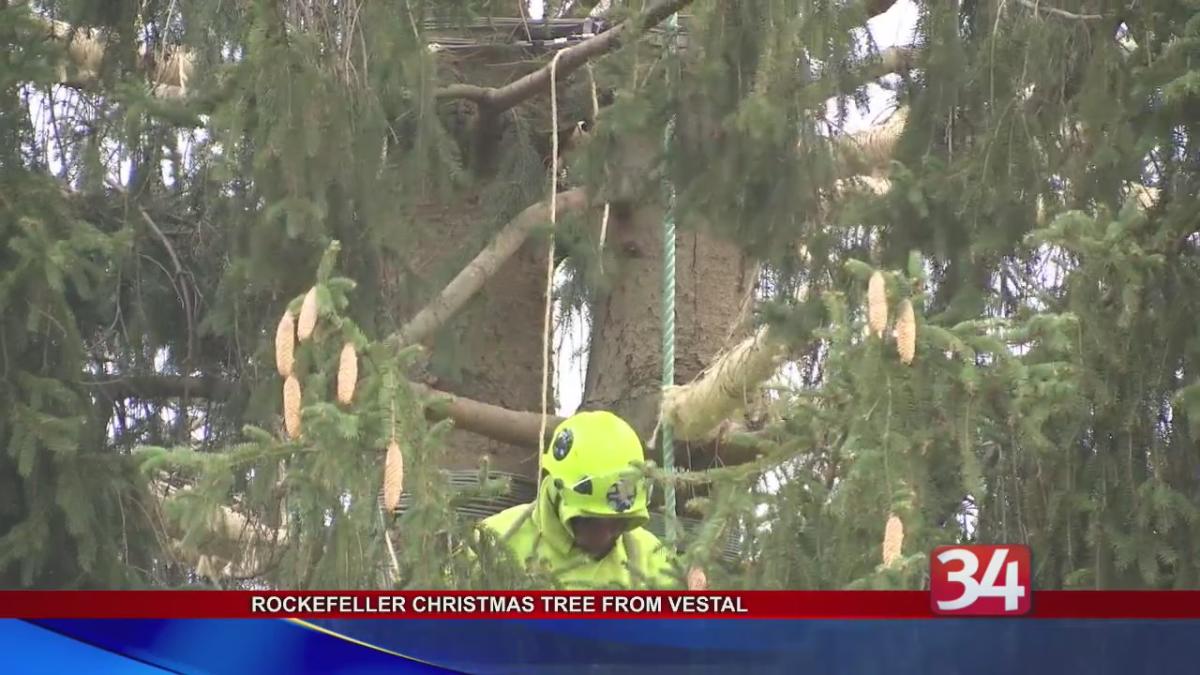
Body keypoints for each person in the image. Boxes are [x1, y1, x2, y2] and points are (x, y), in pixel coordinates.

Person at [479, 410, 680, 589]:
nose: (609, 536)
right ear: (561, 497)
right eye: (597, 522)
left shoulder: (650, 557)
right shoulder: (492, 543)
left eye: (620, 522)